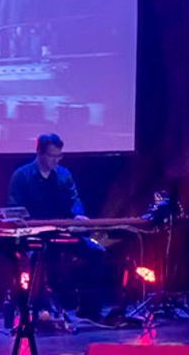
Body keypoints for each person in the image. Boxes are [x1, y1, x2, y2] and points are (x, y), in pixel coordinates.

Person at [7, 134, 112, 322]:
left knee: (96, 252)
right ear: (39, 153)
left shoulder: (64, 175)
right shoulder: (21, 176)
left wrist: (78, 215)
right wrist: (30, 224)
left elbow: (74, 200)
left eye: (59, 156)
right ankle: (41, 309)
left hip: (63, 232)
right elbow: (15, 209)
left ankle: (89, 308)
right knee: (38, 258)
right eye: (51, 156)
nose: (56, 160)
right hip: (36, 236)